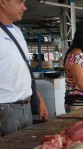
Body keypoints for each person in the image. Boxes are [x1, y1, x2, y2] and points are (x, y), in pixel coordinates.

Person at [0, 0, 48, 137]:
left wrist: (39, 100)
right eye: (19, 2)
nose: (24, 7)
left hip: (25, 106)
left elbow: (25, 71)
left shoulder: (18, 32)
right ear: (3, 2)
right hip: (5, 109)